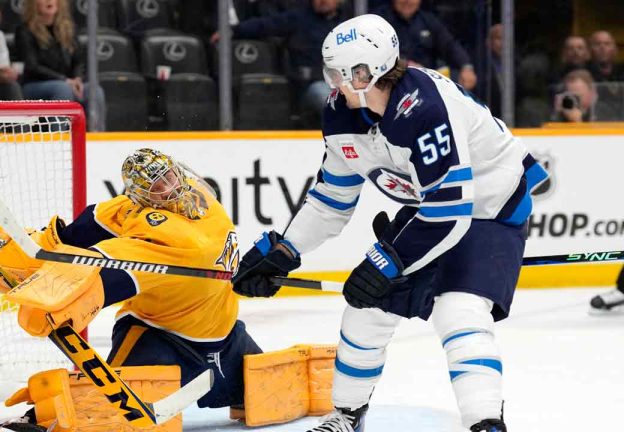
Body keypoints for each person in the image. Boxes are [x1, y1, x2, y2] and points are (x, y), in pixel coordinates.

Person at [232, 14, 548, 432]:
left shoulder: (425, 106)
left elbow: (449, 210)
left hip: (491, 206)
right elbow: (331, 199)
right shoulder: (342, 116)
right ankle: (346, 414)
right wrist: (285, 250)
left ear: (375, 69)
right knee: (365, 308)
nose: (338, 85)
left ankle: (485, 420)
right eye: (333, 74)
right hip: (431, 208)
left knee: (460, 311)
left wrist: (390, 260)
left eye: (350, 74)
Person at [0, 149, 333, 431]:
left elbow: (105, 228)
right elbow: (99, 270)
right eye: (157, 185)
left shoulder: (202, 197)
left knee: (268, 400)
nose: (169, 186)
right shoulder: (152, 234)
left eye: (169, 175)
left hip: (224, 337)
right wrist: (49, 282)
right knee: (103, 412)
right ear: (140, 197)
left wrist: (249, 272)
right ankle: (45, 411)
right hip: (159, 339)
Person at [211, 0, 351, 123]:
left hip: (345, 84)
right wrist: (232, 30)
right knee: (325, 96)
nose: (321, 0)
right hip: (311, 85)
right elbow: (265, 25)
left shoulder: (348, 24)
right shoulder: (300, 18)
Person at [16, 0, 105, 129]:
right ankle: (59, 141)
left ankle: (96, 139)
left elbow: (78, 60)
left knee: (95, 91)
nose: (49, 1)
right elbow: (32, 66)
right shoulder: (24, 31)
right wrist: (64, 80)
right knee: (62, 89)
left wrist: (77, 79)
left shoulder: (68, 28)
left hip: (67, 83)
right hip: (34, 85)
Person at [374, 0, 477, 91]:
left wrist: (466, 67)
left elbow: (450, 45)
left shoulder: (428, 20)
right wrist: (405, 64)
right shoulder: (379, 20)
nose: (408, 1)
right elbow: (374, 52)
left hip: (425, 84)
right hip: (390, 83)